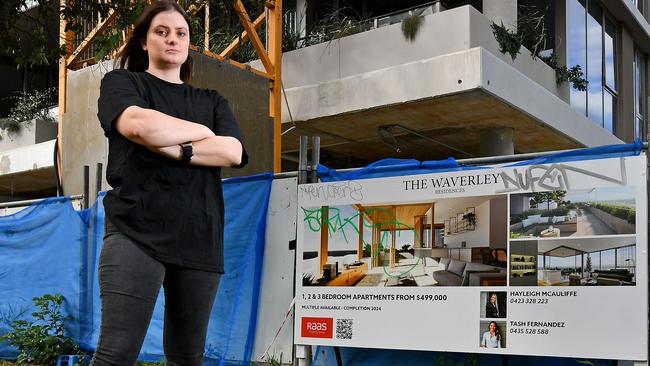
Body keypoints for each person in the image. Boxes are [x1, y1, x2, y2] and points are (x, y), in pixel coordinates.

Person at [91, 1, 247, 365]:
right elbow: (139, 126)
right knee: (115, 354)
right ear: (144, 41)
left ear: (189, 43)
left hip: (199, 237)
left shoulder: (211, 100)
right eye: (161, 32)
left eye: (181, 33)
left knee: (188, 357)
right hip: (135, 232)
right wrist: (204, 133)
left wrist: (178, 149)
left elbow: (233, 152)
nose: (172, 39)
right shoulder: (123, 83)